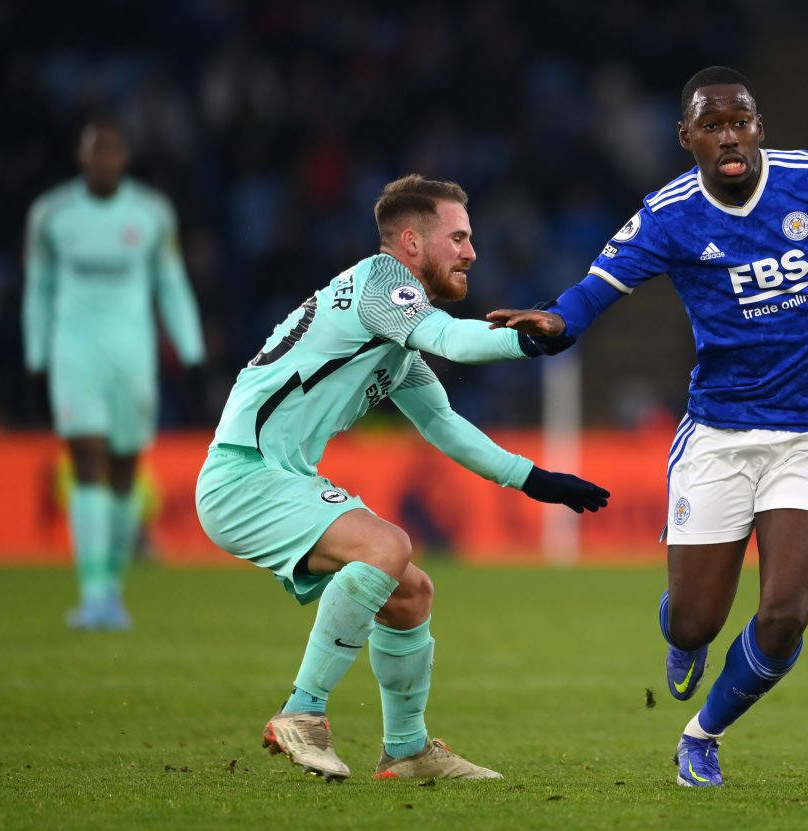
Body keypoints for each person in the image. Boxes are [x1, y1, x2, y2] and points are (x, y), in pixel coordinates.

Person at [487, 66, 808, 787]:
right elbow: (594, 292)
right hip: (720, 433)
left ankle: (703, 735)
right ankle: (683, 636)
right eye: (714, 124)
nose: (731, 135)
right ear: (687, 137)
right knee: (694, 621)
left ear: (760, 128)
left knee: (785, 613)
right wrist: (556, 322)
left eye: (743, 121)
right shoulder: (669, 215)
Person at [195, 174, 608, 782]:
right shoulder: (381, 283)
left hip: (270, 477)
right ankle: (302, 712)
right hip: (243, 474)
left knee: (410, 594)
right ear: (411, 242)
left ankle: (407, 750)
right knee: (387, 545)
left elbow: (443, 423)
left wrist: (536, 481)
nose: (471, 253)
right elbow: (453, 340)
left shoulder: (393, 337)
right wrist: (530, 343)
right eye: (459, 237)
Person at [22, 115, 206, 631]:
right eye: (94, 152)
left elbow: (172, 286)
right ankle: (93, 594)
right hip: (74, 350)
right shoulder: (52, 214)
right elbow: (38, 291)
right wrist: (37, 360)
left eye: (112, 152)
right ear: (82, 158)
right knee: (86, 457)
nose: (103, 161)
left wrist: (190, 354)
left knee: (125, 467)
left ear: (123, 158)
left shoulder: (150, 214)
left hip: (132, 355)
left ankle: (113, 586)